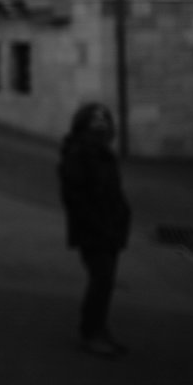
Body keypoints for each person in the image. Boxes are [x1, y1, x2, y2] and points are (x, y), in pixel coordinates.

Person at [57, 102, 131, 357]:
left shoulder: (102, 151)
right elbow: (74, 195)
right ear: (84, 123)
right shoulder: (79, 151)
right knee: (101, 279)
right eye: (94, 118)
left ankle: (99, 329)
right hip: (94, 228)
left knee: (105, 281)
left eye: (104, 118)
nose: (100, 122)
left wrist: (122, 216)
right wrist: (96, 223)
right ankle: (91, 332)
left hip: (109, 226)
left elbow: (113, 190)